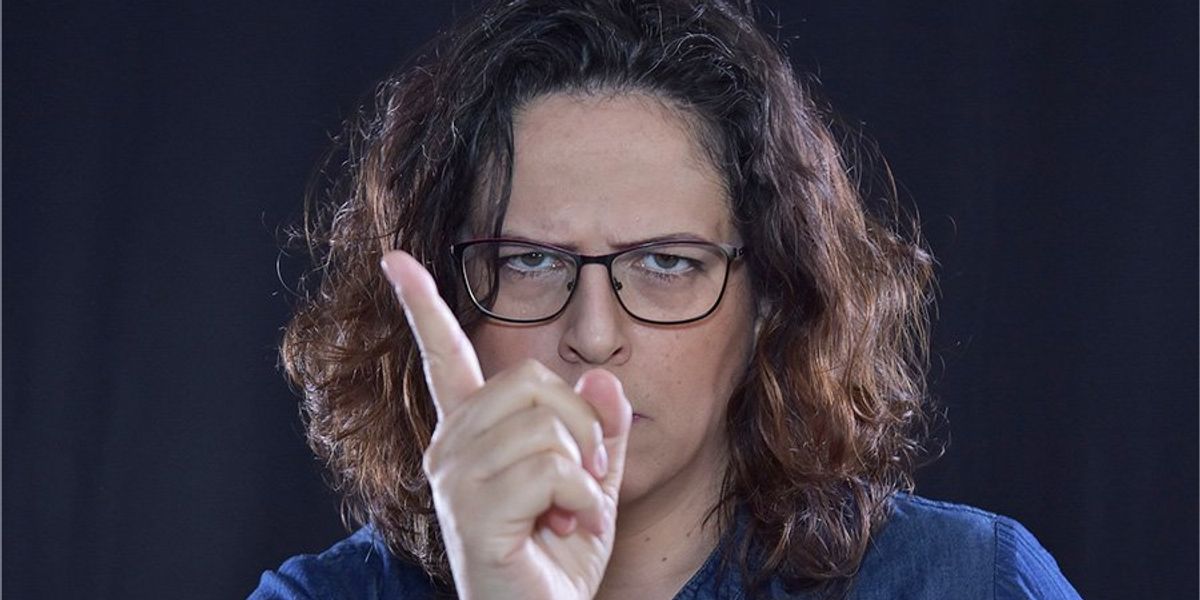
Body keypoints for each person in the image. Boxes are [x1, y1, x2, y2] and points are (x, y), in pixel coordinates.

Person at [252, 0, 1081, 598]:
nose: (594, 333)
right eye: (531, 260)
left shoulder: (969, 581)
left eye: (667, 262)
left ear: (769, 300)